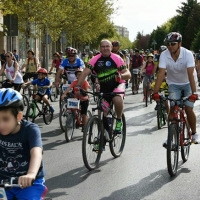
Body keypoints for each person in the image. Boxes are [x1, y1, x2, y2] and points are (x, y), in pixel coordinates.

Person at [152, 32, 199, 144]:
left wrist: (194, 93)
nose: (170, 46)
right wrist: (155, 92)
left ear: (179, 44)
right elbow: (161, 73)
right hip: (173, 83)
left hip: (188, 82)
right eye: (168, 44)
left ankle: (194, 133)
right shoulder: (164, 54)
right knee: (173, 108)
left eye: (173, 43)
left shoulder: (187, 54)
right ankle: (171, 137)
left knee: (188, 109)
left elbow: (191, 74)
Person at [0, 88, 47, 199]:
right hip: (3, 182)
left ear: (19, 117)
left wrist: (31, 174)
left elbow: (36, 152)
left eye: (5, 119)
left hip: (29, 184)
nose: (0, 125)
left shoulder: (30, 130)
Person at [76, 39, 131, 134]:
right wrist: (78, 86)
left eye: (107, 46)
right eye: (103, 46)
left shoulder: (117, 58)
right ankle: (101, 137)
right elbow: (85, 72)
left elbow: (128, 73)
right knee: (102, 114)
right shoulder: (95, 59)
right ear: (100, 48)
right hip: (104, 88)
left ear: (111, 47)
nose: (105, 48)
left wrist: (121, 76)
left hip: (117, 85)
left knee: (117, 98)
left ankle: (118, 120)